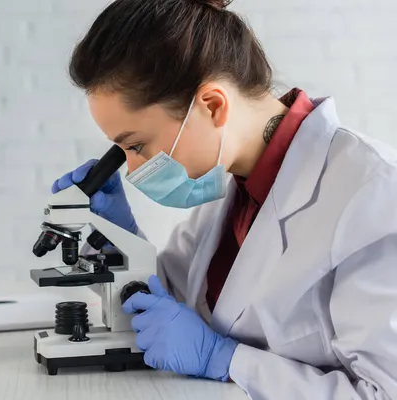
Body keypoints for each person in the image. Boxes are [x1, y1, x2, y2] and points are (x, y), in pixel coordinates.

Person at [51, 0, 397, 398]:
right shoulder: (229, 183)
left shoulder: (375, 194)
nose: (131, 170)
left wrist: (226, 359)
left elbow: (382, 392)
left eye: (137, 145)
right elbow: (171, 308)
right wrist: (121, 242)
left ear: (213, 105)